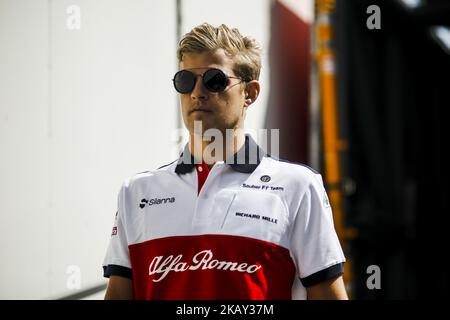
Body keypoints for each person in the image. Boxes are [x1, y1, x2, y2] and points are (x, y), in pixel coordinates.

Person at [102, 23, 348, 300]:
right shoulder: (136, 191)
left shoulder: (298, 186)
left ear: (250, 93)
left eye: (214, 80)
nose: (196, 92)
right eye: (185, 80)